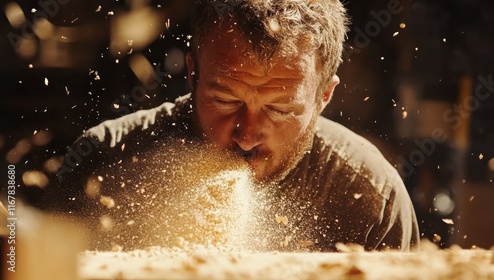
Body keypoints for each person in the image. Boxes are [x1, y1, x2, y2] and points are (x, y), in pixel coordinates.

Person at [44, 0, 420, 252]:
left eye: (281, 109)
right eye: (225, 101)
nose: (246, 134)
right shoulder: (104, 163)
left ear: (324, 97)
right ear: (193, 74)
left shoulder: (369, 196)